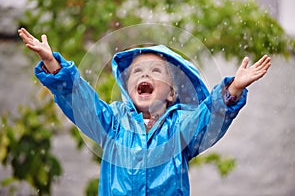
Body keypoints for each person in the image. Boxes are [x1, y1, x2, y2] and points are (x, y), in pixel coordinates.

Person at [18, 27, 271, 195]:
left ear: (172, 94)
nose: (145, 74)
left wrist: (234, 89)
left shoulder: (179, 127)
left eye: (156, 71)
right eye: (137, 72)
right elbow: (82, 101)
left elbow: (207, 118)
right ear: (129, 89)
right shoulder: (113, 123)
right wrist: (52, 64)